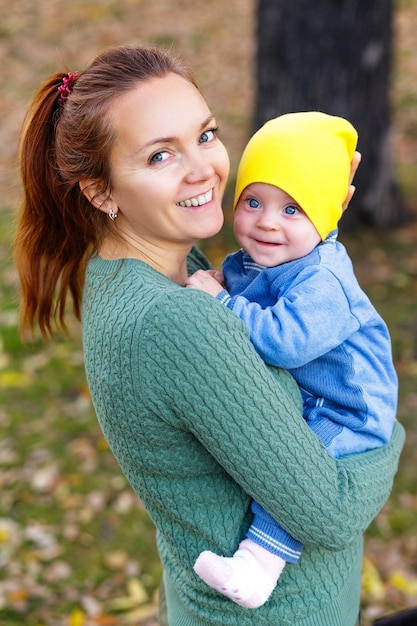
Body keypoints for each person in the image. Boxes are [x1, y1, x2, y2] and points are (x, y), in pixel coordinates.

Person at [14, 45, 404, 626]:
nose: (203, 168)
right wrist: (388, 428)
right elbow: (332, 512)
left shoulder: (142, 272)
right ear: (100, 191)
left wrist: (310, 213)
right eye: (160, 155)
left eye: (205, 134)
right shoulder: (181, 321)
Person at [185, 111, 399, 609]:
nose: (265, 221)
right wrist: (224, 286)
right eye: (253, 201)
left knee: (304, 471)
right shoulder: (259, 259)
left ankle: (258, 566)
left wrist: (221, 304)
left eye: (292, 210)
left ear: (327, 215)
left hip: (349, 410)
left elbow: (284, 342)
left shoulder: (324, 282)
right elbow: (246, 291)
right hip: (317, 395)